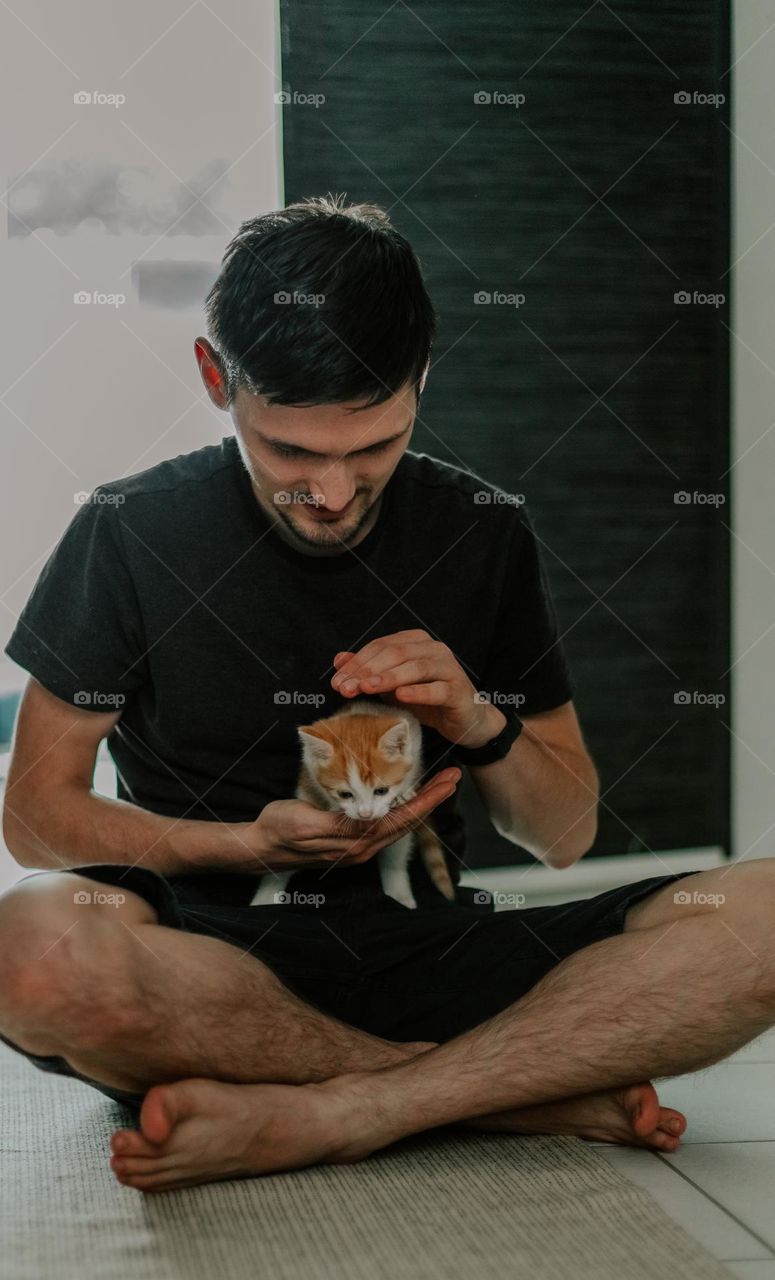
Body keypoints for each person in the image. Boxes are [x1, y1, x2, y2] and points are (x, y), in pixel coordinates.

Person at [0, 196, 765, 1194]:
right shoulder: (128, 530)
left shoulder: (482, 529)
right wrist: (241, 845)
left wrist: (475, 719)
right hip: (213, 960)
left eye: (373, 446)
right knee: (30, 950)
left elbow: (565, 831)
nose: (331, 492)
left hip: (434, 942)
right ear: (212, 378)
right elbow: (32, 816)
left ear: (420, 379)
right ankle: (500, 1090)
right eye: (290, 452)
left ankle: (341, 1107)